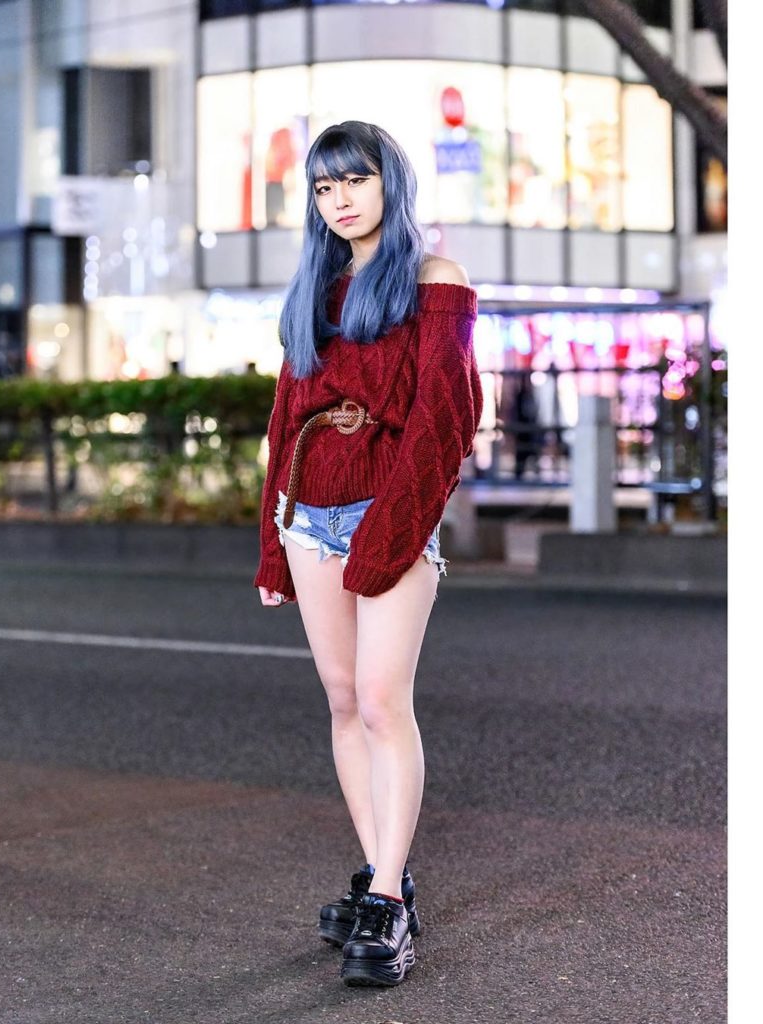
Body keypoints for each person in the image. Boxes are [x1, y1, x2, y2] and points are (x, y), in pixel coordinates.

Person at [253, 120, 483, 987]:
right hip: (309, 512)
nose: (339, 199)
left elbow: (442, 420)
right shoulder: (316, 285)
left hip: (390, 511)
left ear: (390, 180)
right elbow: (286, 423)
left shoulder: (434, 281)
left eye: (353, 180)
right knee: (344, 699)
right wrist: (275, 551)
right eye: (322, 187)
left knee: (386, 701)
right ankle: (384, 876)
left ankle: (384, 900)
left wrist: (389, 537)